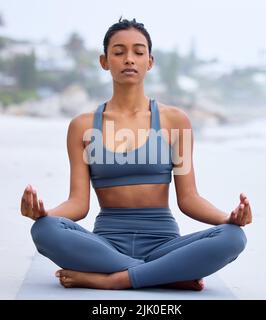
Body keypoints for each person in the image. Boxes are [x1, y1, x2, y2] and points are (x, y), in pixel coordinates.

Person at [20, 17, 252, 291]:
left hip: (164, 244)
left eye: (138, 52)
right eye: (119, 52)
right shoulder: (82, 126)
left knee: (233, 238)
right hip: (106, 244)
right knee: (45, 231)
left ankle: (115, 279)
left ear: (149, 62)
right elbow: (78, 203)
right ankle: (164, 275)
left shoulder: (174, 121)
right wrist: (44, 215)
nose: (129, 59)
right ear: (104, 62)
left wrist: (227, 219)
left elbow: (189, 198)